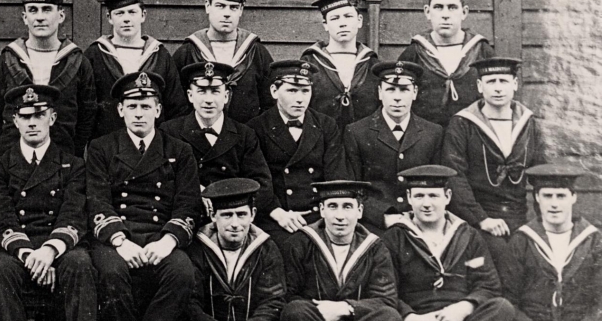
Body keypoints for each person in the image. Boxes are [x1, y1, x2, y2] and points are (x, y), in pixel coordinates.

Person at [86, 71, 201, 321]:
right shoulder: (101, 148)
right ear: (120, 110)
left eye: (146, 106)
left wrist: (168, 240)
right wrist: (119, 240)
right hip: (116, 238)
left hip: (159, 236)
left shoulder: (179, 150)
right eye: (132, 106)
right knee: (112, 272)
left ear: (158, 110)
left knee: (181, 272)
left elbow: (188, 204)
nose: (139, 113)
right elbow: (97, 200)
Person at [0, 84, 95, 321]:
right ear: (14, 121)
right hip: (18, 247)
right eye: (25, 116)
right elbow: (1, 217)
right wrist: (27, 253)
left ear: (52, 118)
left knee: (81, 264)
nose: (32, 122)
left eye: (39, 115)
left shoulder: (72, 164)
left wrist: (49, 251)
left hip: (58, 245)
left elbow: (74, 214)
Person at [162, 178, 316, 321]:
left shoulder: (266, 247)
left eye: (241, 215)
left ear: (253, 214)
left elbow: (273, 301)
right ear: (213, 216)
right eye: (227, 215)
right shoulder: (197, 248)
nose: (235, 223)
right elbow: (189, 303)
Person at [381, 165, 515, 321]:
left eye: (433, 195)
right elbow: (385, 292)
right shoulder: (393, 238)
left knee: (502, 307)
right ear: (409, 198)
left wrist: (462, 308)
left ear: (448, 197)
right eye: (419, 196)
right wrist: (414, 319)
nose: (426, 203)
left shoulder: (469, 235)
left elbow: (488, 285)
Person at [279, 180, 404, 321]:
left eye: (347, 207)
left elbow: (386, 299)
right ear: (321, 210)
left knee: (390, 316)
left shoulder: (375, 247)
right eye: (332, 206)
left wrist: (345, 309)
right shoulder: (300, 242)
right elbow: (288, 295)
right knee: (295, 310)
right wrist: (327, 316)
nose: (340, 216)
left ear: (359, 211)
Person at [495, 163, 602, 321]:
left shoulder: (594, 241)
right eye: (547, 196)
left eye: (561, 196)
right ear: (537, 198)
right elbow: (508, 300)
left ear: (573, 197)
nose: (554, 204)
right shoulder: (522, 241)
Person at [441, 57, 546, 286]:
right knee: (501, 265)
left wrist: (543, 222)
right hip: (479, 216)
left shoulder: (528, 123)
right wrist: (482, 219)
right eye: (491, 81)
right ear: (480, 86)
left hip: (518, 214)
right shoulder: (463, 123)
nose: (498, 88)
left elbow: (542, 175)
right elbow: (455, 175)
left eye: (503, 81)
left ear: (515, 84)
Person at [0, 0, 97, 155]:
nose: (39, 17)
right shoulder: (7, 60)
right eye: (33, 10)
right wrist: (10, 149)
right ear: (25, 17)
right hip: (15, 160)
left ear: (61, 16)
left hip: (63, 157)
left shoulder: (78, 62)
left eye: (47, 9)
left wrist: (71, 152)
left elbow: (87, 115)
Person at [246, 60, 347, 246]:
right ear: (274, 91)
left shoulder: (326, 125)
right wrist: (277, 213)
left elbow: (335, 176)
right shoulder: (256, 128)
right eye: (292, 91)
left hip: (318, 216)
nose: (300, 99)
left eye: (305, 91)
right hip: (275, 217)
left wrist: (327, 214)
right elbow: (257, 180)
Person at [342, 61, 444, 234]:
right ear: (380, 92)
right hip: (374, 224)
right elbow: (352, 188)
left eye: (404, 90)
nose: (397, 97)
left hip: (421, 221)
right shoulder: (357, 132)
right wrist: (382, 216)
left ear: (415, 92)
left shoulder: (433, 132)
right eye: (390, 89)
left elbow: (437, 185)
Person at [162, 61, 274, 210]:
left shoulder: (244, 135)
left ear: (226, 96)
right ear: (190, 95)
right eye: (201, 91)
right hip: (189, 212)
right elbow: (162, 181)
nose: (208, 100)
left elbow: (262, 185)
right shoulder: (170, 131)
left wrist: (230, 205)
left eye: (215, 91)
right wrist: (194, 191)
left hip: (232, 214)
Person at [85, 0, 188, 139]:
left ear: (143, 15)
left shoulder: (160, 55)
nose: (126, 19)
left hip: (153, 146)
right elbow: (87, 109)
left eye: (132, 12)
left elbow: (176, 107)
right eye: (119, 13)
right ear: (109, 17)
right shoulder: (95, 54)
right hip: (107, 145)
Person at [171, 0, 273, 124]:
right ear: (208, 6)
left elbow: (270, 104)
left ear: (241, 10)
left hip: (248, 135)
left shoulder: (256, 52)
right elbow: (176, 105)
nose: (227, 13)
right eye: (220, 6)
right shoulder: (188, 52)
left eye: (233, 7)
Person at [397, 0, 495, 126]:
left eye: (452, 7)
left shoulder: (481, 50)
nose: (445, 15)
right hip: (427, 134)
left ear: (464, 12)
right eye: (438, 7)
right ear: (427, 12)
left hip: (471, 132)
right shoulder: (415, 52)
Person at [300, 0, 379, 131]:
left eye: (348, 16)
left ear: (359, 21)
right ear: (325, 24)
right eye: (335, 18)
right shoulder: (311, 61)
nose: (342, 23)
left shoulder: (372, 63)